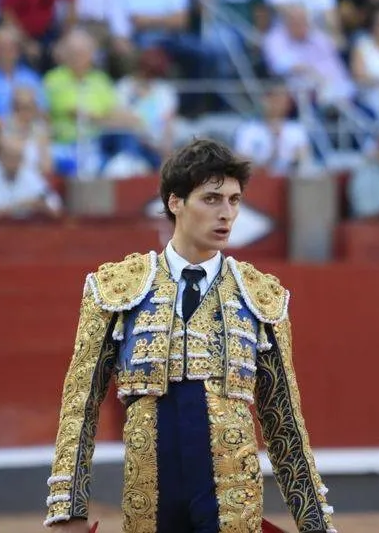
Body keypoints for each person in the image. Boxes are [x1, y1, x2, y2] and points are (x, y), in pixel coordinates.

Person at [43, 139, 337, 533]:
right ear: (175, 202)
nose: (226, 214)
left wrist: (316, 524)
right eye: (211, 199)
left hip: (233, 498)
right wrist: (68, 507)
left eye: (234, 200)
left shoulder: (260, 296)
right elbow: (81, 404)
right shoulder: (116, 288)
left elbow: (284, 423)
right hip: (150, 499)